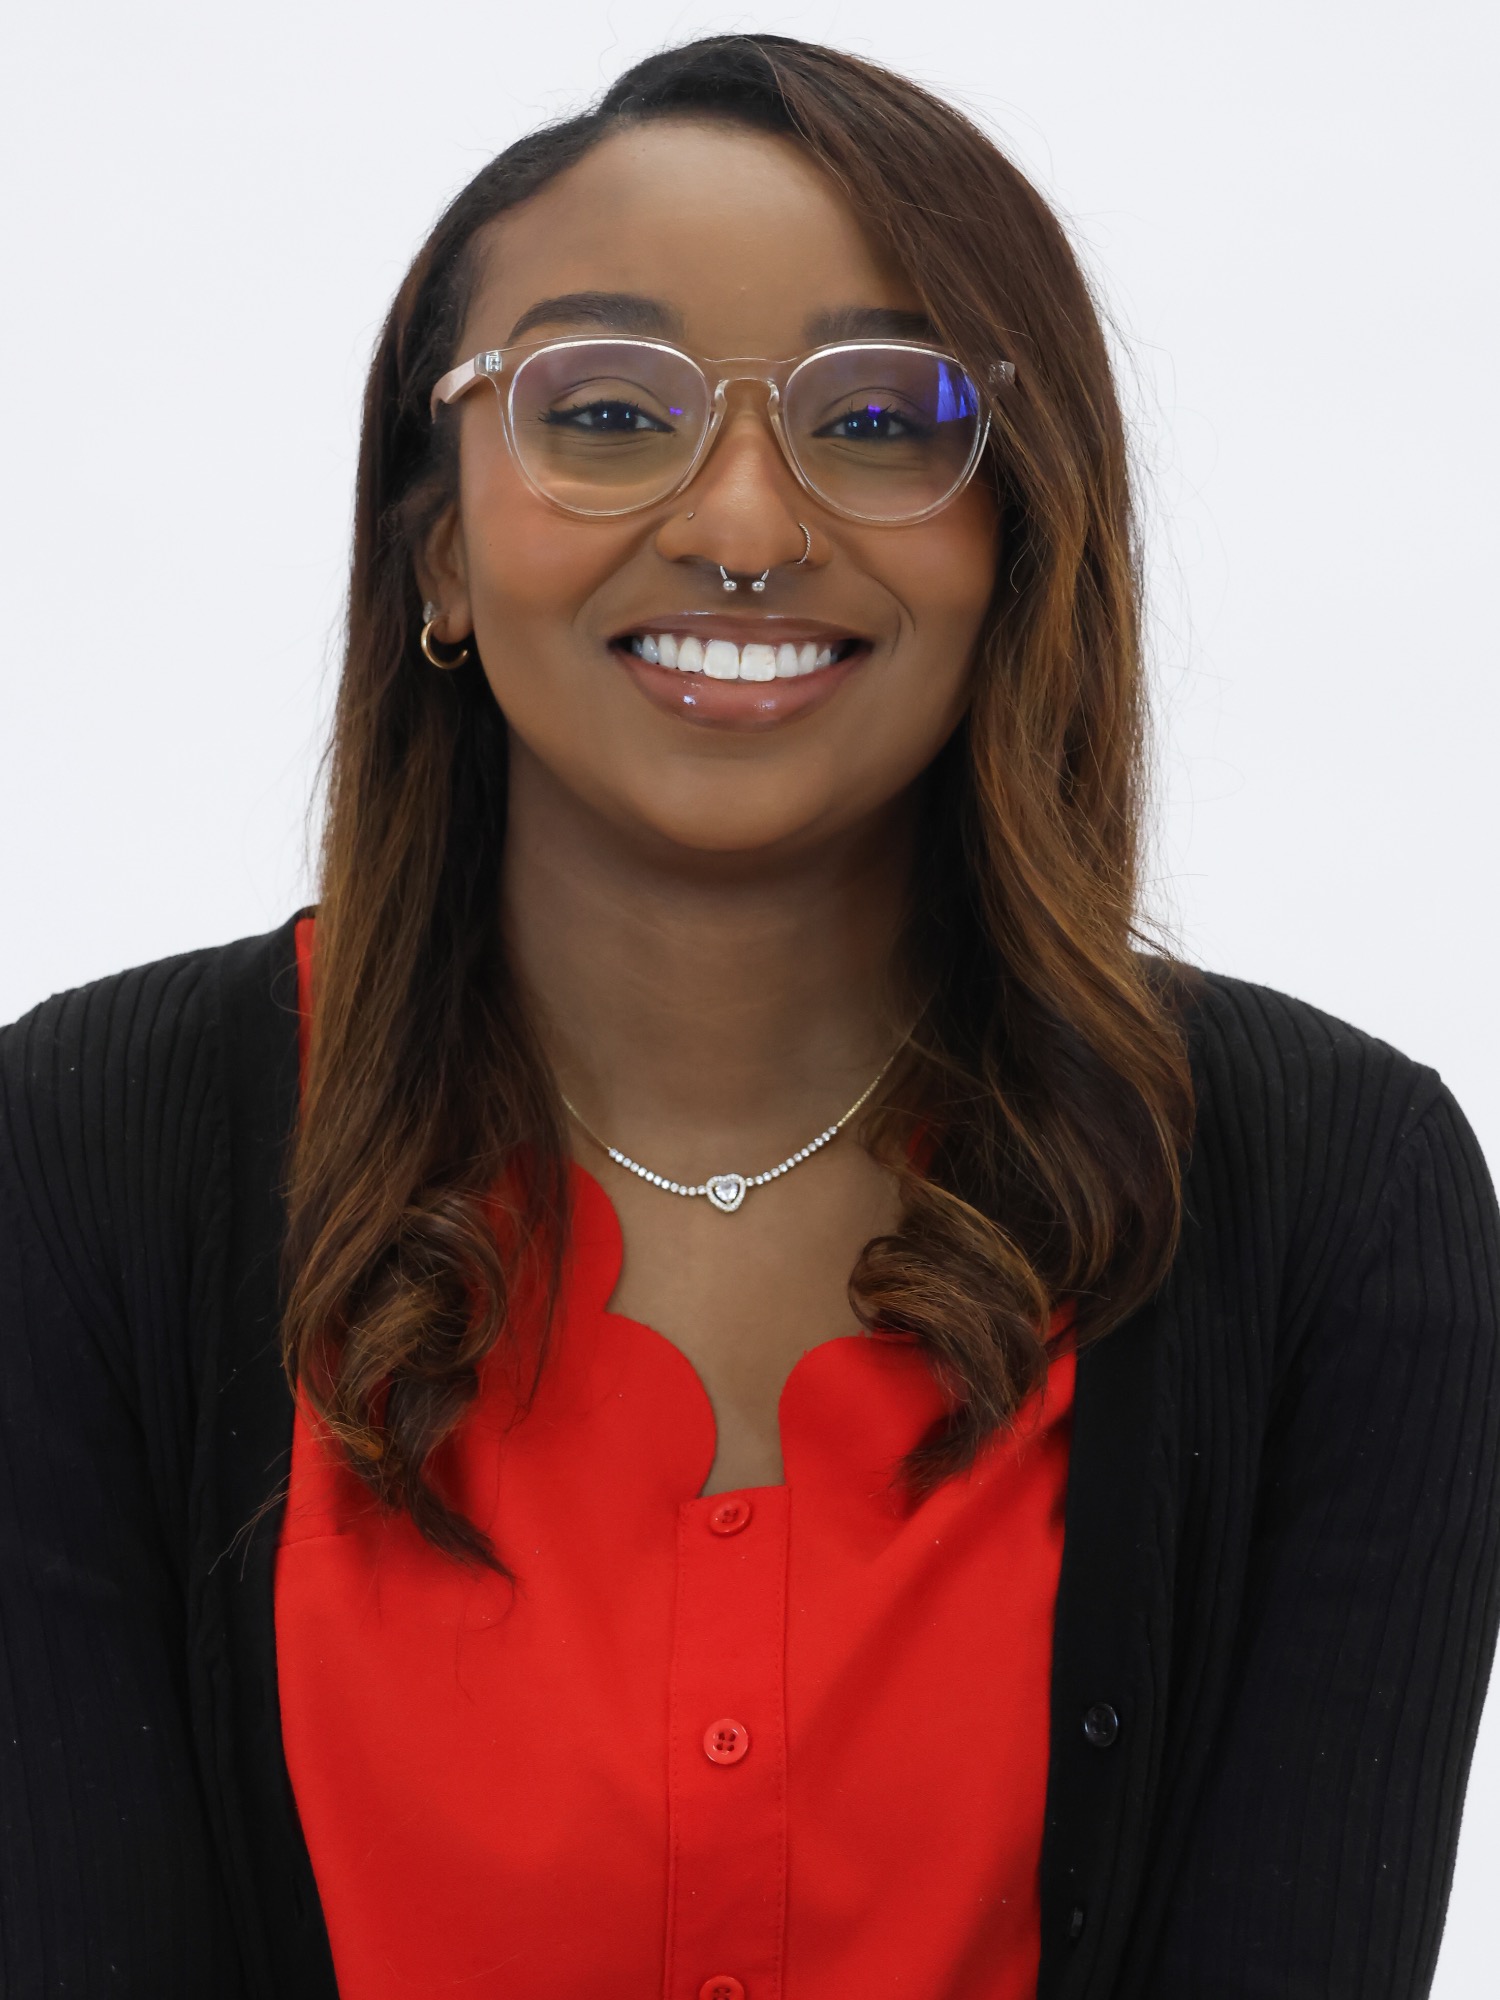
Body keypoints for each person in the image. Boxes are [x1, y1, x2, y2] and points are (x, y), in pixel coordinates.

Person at [1, 31, 1496, 2000]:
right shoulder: (77, 1177)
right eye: (605, 410)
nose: (744, 520)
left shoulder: (1339, 1212)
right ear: (440, 539)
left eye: (880, 419)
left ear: (1014, 528)